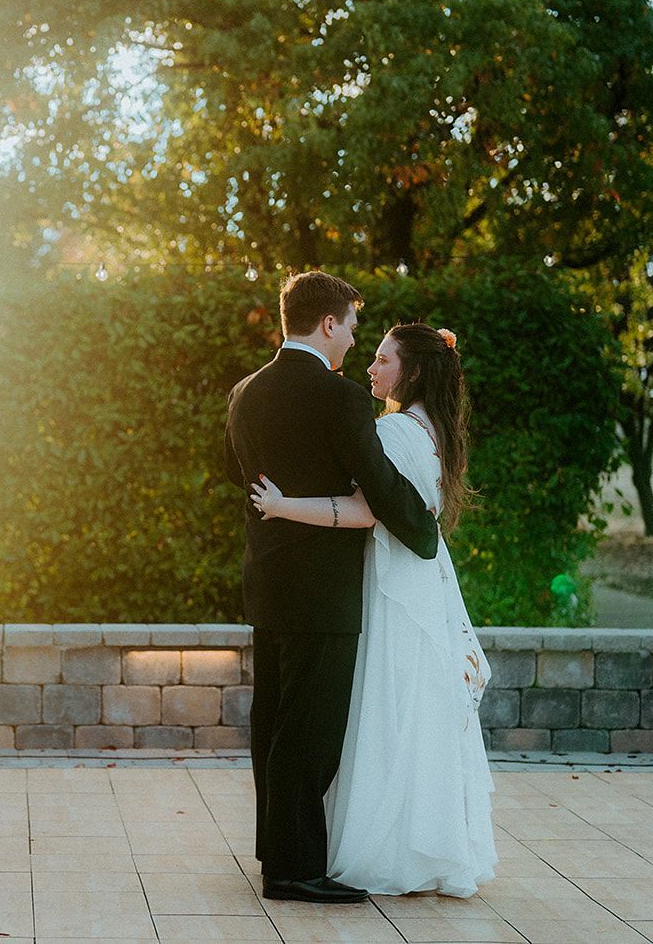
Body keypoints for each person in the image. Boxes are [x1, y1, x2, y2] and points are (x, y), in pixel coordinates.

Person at [250, 322, 498, 897]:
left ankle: (376, 846)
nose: (370, 368)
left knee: (385, 705)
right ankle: (415, 842)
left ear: (409, 372)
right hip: (422, 580)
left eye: (383, 360)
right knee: (412, 707)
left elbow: (366, 511)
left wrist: (285, 505)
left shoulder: (393, 431)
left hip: (389, 584)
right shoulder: (432, 429)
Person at [223, 272, 439, 905]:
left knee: (273, 721)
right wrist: (423, 530)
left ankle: (276, 849)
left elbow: (234, 472)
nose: (352, 337)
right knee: (311, 731)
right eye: (349, 325)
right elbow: (374, 479)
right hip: (324, 589)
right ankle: (292, 870)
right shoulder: (342, 399)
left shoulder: (244, 392)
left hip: (268, 582)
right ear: (327, 325)